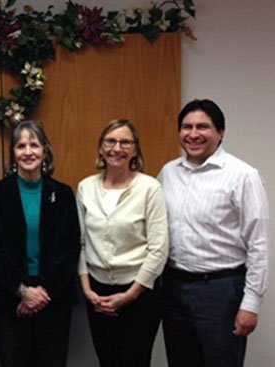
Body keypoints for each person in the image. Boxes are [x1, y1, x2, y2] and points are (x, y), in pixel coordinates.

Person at [158, 99, 269, 367]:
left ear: (221, 132)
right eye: (186, 127)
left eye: (202, 127)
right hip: (174, 287)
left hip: (221, 290)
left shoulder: (242, 175)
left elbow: (259, 244)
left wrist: (250, 304)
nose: (193, 134)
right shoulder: (168, 172)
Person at [0, 120, 80, 367]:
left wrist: (42, 293)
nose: (28, 152)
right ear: (13, 153)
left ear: (45, 151)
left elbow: (71, 248)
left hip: (53, 298)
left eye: (34, 145)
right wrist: (23, 292)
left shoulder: (64, 193)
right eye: (20, 145)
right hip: (10, 299)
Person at [76, 119, 169, 367]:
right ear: (101, 147)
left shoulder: (150, 188)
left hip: (140, 293)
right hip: (97, 292)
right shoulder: (86, 187)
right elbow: (81, 244)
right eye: (110, 141)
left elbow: (158, 249)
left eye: (125, 142)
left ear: (135, 150)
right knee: (107, 360)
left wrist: (129, 296)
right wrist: (87, 291)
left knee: (135, 361)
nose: (116, 148)